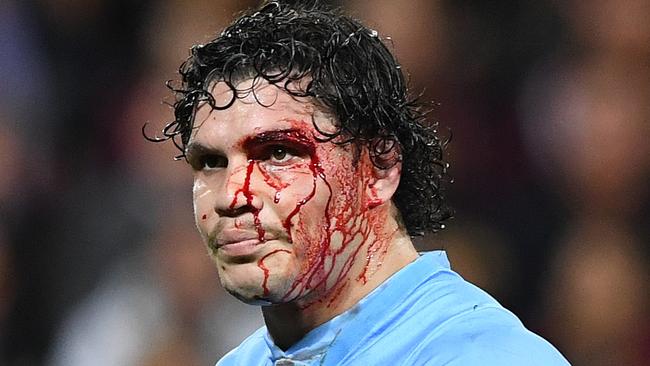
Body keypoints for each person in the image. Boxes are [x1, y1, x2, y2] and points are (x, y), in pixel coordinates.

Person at [147, 1, 570, 364]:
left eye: (279, 153)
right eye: (210, 162)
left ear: (380, 168)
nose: (232, 195)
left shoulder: (480, 356)